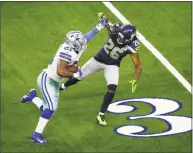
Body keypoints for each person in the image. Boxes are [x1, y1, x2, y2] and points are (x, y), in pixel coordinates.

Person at [20, 15, 109, 144]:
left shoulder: (76, 46)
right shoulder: (67, 52)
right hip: (48, 79)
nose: (83, 44)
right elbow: (60, 71)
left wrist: (100, 26)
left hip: (55, 81)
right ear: (74, 44)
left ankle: (32, 96)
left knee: (50, 108)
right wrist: (74, 75)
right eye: (80, 43)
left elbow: (86, 37)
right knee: (50, 108)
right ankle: (36, 134)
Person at [60, 22, 142, 126]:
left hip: (112, 65)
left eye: (123, 39)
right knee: (79, 75)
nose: (120, 40)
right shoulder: (117, 29)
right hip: (97, 59)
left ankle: (101, 114)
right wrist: (107, 24)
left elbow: (138, 65)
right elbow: (109, 30)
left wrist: (135, 79)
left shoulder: (133, 45)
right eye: (119, 36)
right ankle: (62, 86)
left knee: (112, 88)